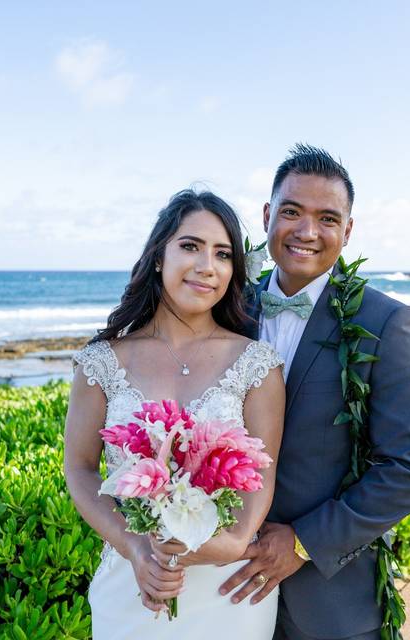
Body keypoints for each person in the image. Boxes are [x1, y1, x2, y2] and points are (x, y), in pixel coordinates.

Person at [219, 144, 410, 640]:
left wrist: (302, 542)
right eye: (292, 212)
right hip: (219, 587)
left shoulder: (386, 322)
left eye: (327, 217)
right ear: (266, 216)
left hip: (329, 602)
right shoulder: (225, 309)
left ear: (348, 230)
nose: (307, 232)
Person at [63, 189, 286, 638]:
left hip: (230, 591)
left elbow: (263, 472)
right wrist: (134, 546)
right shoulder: (102, 361)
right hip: (132, 584)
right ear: (159, 256)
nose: (207, 265)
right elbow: (81, 468)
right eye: (190, 246)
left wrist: (233, 542)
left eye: (223, 254)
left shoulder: (257, 364)